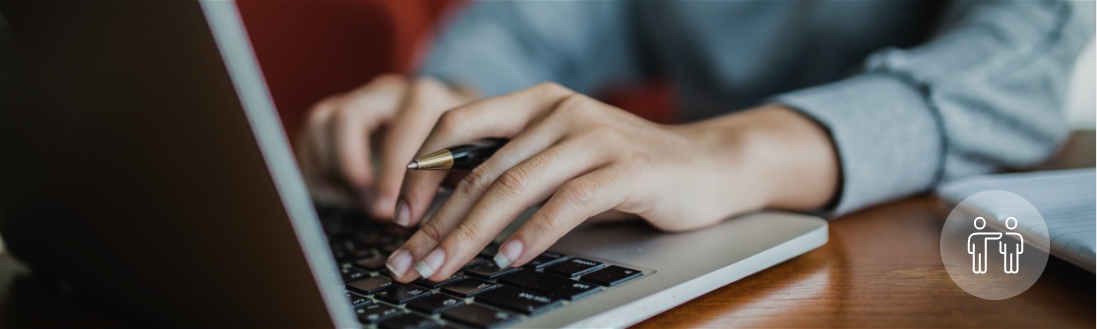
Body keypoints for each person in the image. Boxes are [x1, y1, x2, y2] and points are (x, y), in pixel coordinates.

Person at [296, 1, 1094, 283]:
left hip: (922, 248)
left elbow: (1019, 64)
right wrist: (459, 113)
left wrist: (721, 153)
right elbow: (525, 27)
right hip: (680, 239)